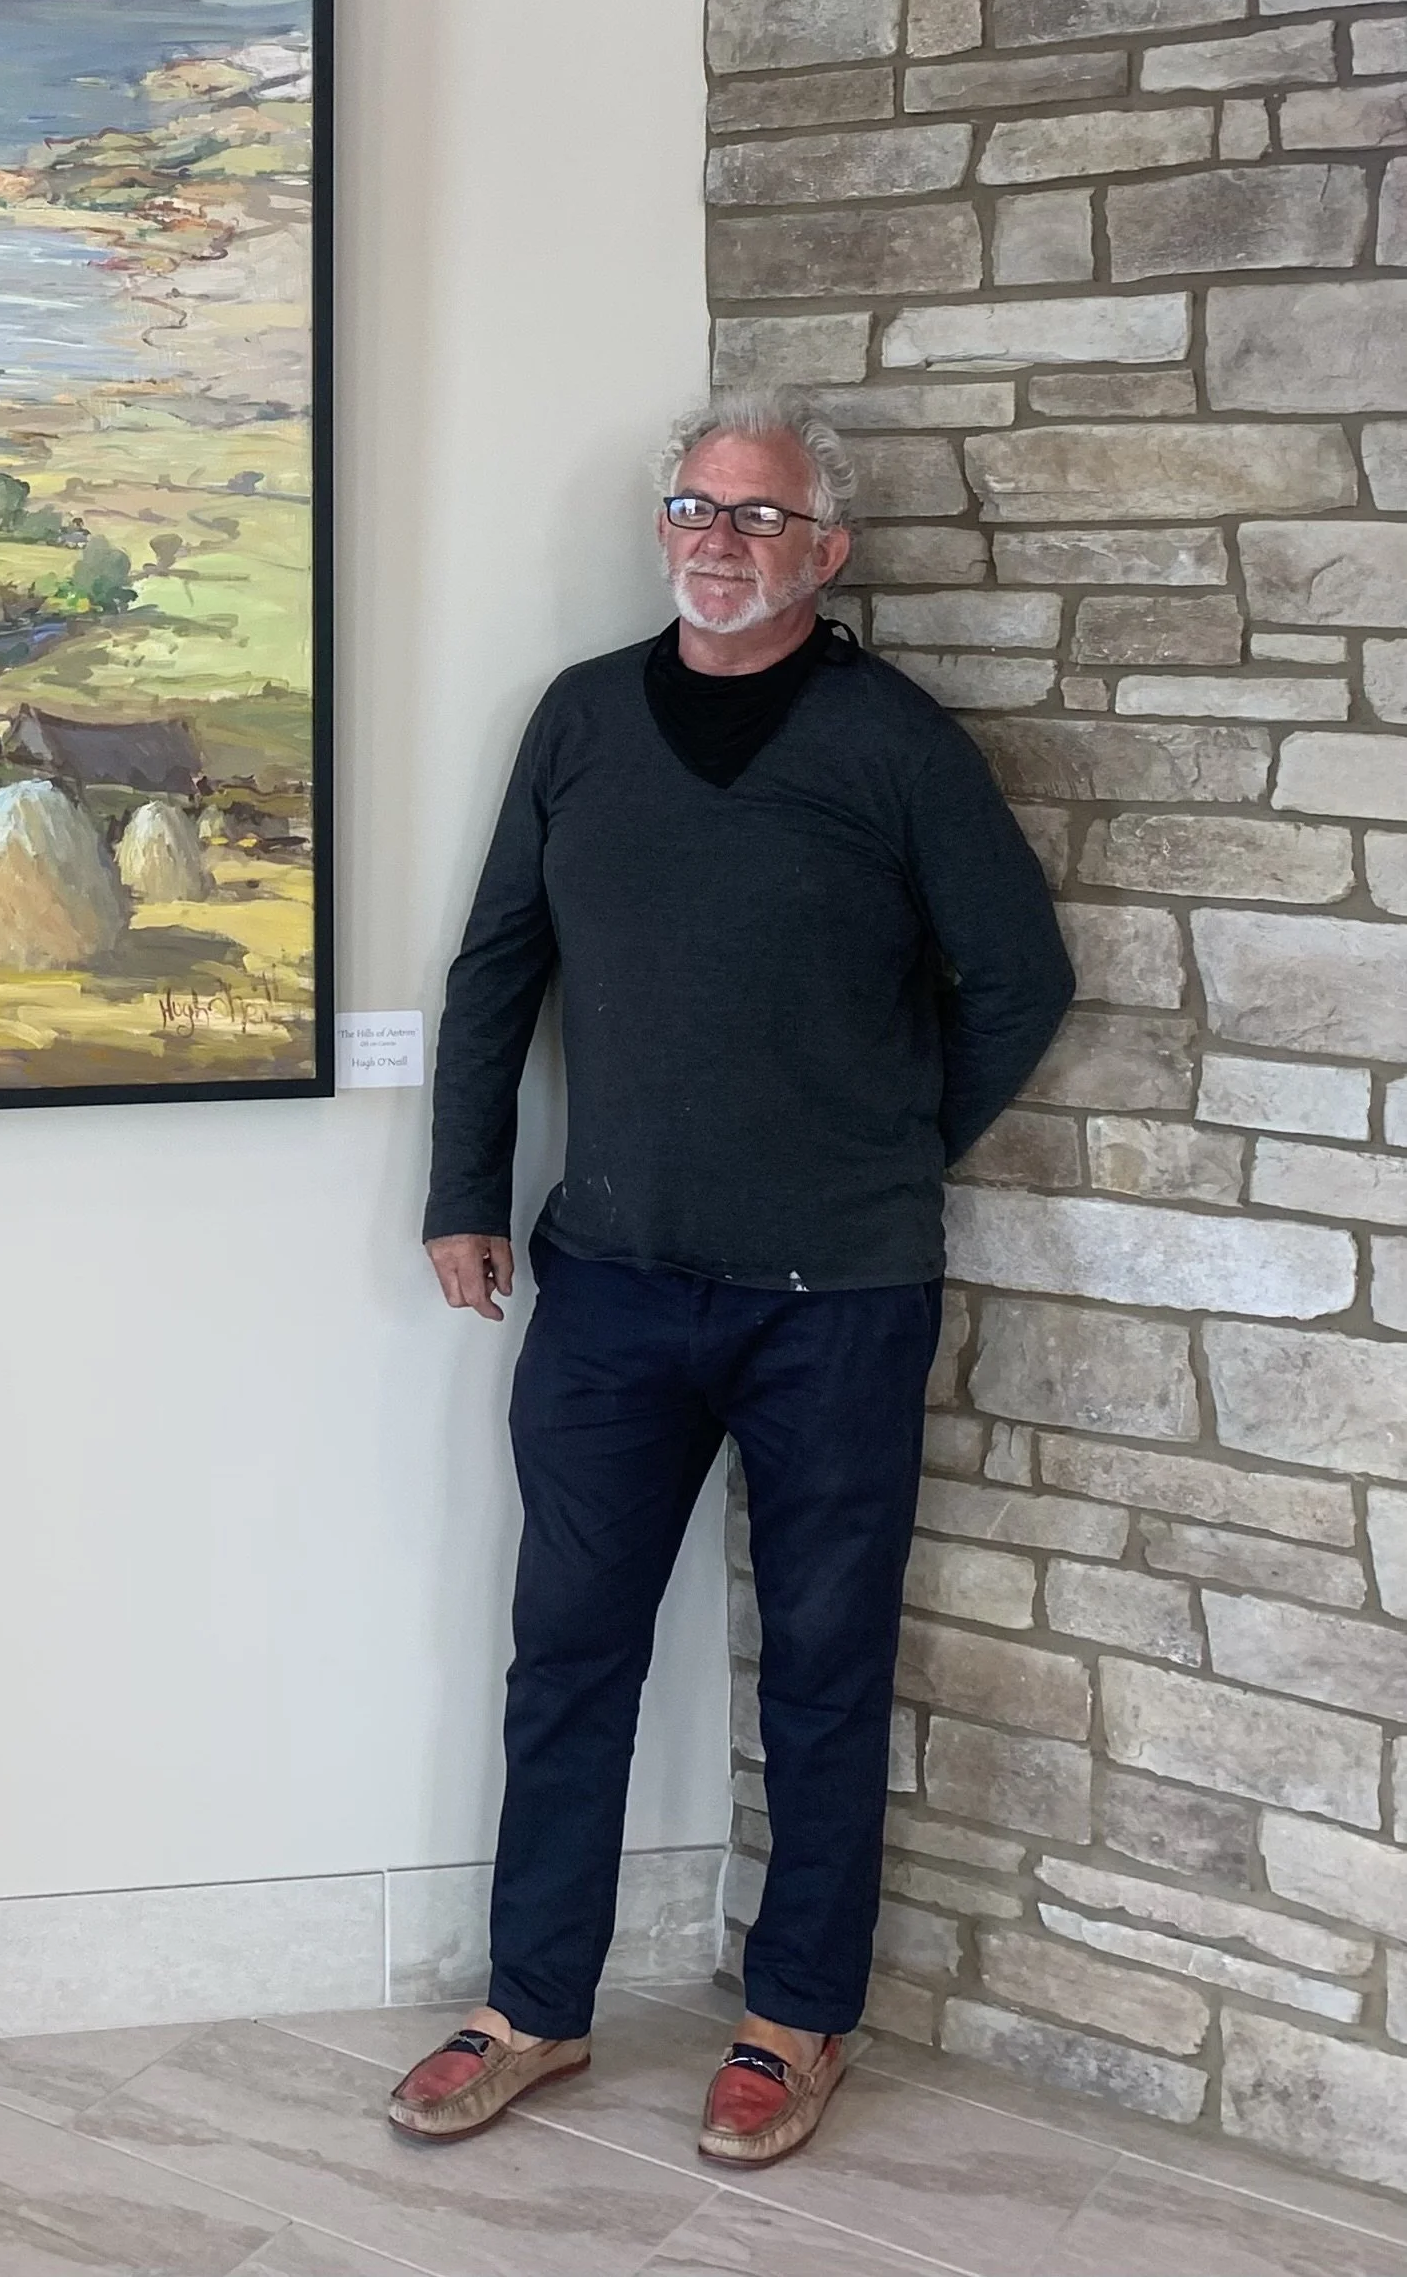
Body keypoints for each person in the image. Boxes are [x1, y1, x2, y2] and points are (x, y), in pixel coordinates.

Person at [387, 387, 1073, 2170]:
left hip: (835, 1297)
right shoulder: (584, 720)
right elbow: (493, 973)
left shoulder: (892, 742)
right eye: (692, 507)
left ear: (824, 551)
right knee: (569, 1655)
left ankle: (794, 2019)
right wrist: (466, 1188)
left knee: (827, 1671)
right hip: (609, 1288)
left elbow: (1018, 979)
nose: (716, 537)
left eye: (757, 516)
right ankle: (535, 2004)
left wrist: (884, 1146)